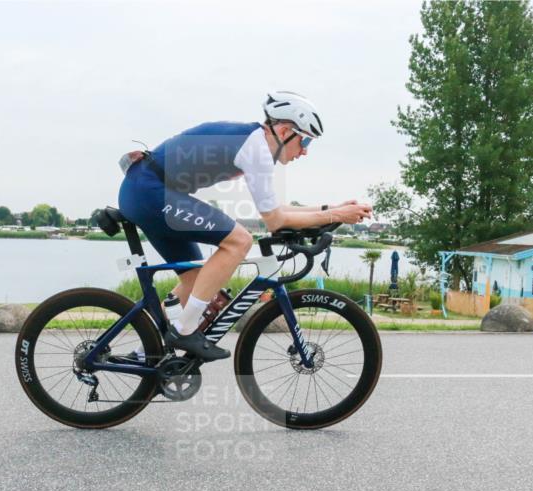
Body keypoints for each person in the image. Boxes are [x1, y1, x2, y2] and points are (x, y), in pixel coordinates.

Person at [118, 91, 373, 361]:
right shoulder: (257, 149)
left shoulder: (254, 142)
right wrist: (336, 216)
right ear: (285, 130)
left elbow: (275, 210)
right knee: (239, 241)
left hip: (147, 190)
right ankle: (184, 329)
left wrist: (331, 210)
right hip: (151, 191)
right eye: (305, 140)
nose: (306, 150)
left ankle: (145, 352)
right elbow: (275, 221)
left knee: (195, 279)